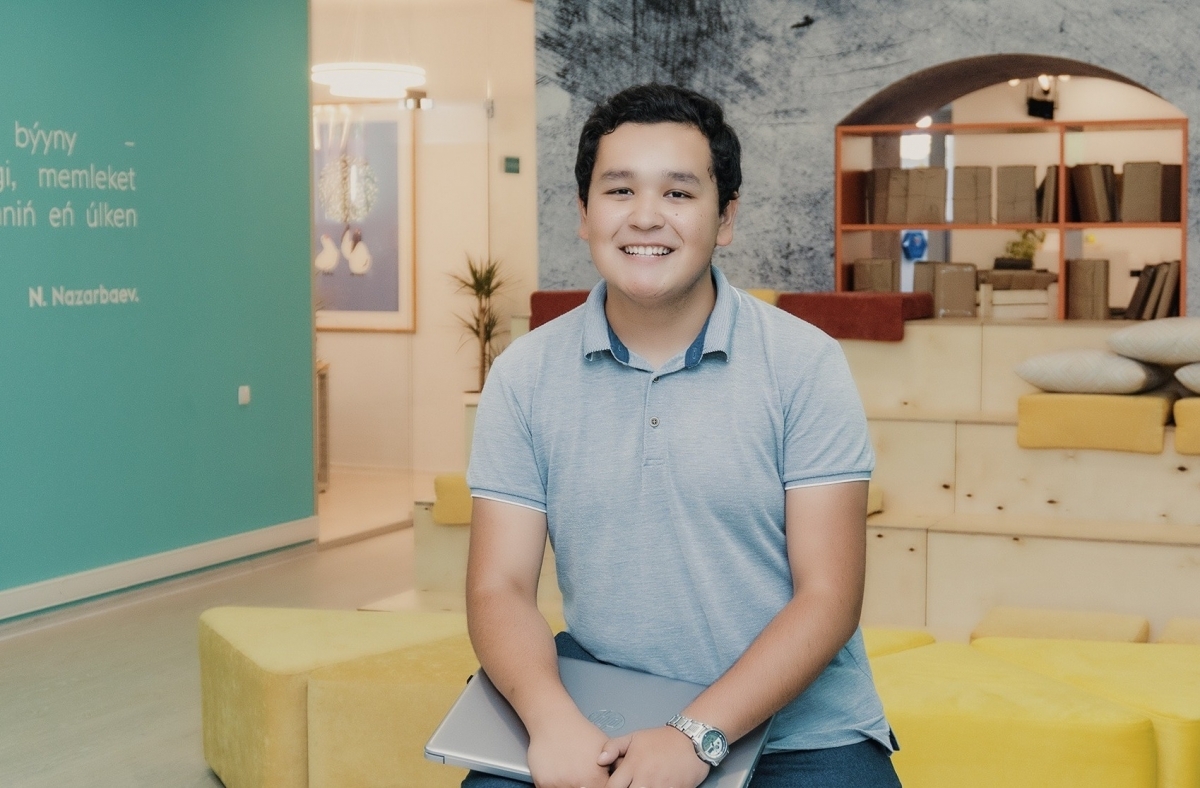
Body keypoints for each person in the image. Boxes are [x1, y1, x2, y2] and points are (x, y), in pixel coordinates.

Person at [464, 83, 901, 788]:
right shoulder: (524, 374)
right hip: (603, 707)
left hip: (798, 732)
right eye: (619, 191)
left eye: (677, 193)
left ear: (725, 219)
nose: (646, 216)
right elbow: (499, 586)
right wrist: (550, 721)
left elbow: (829, 597)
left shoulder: (805, 363)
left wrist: (695, 736)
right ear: (583, 214)